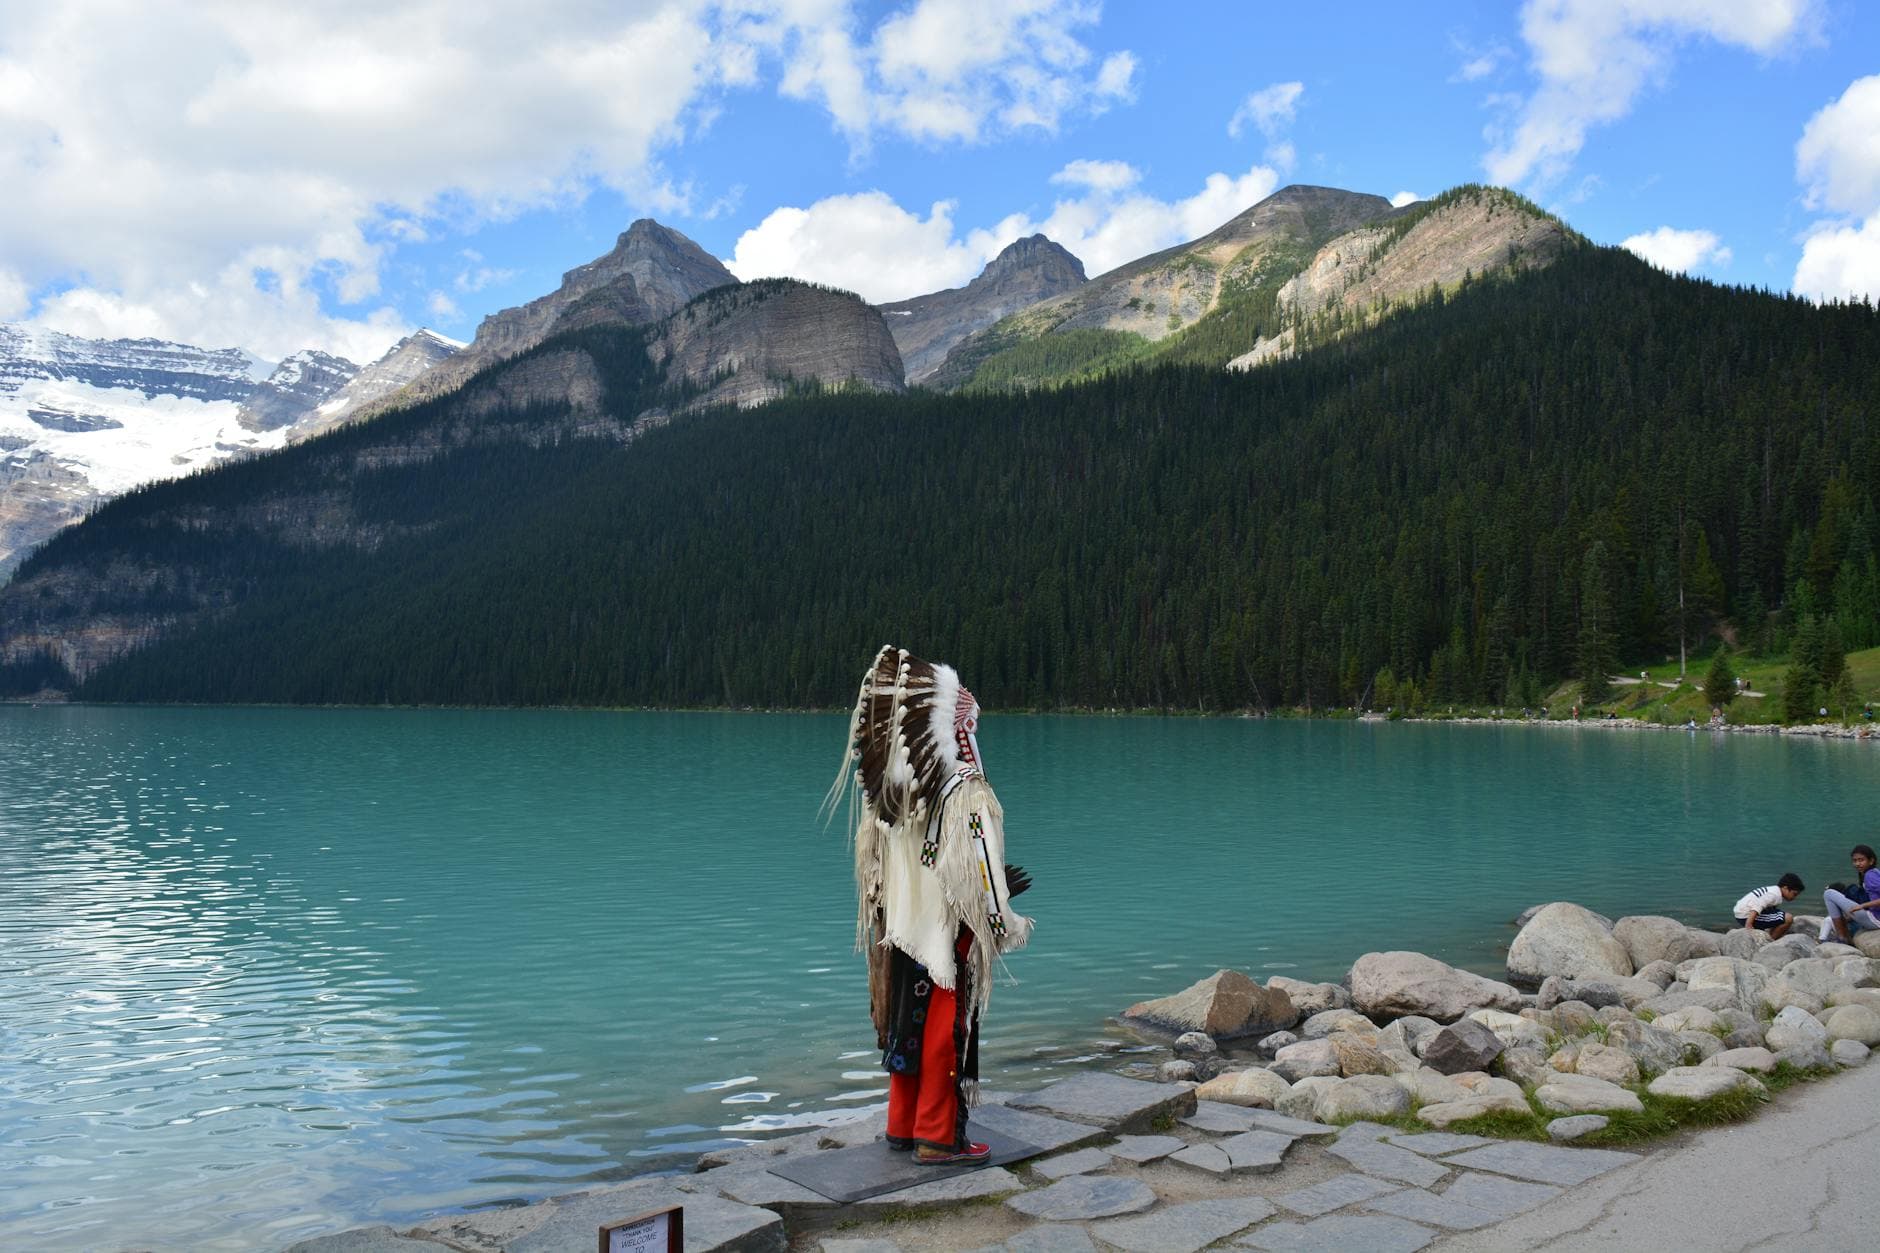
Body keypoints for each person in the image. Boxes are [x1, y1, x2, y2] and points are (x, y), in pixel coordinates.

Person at [828, 647, 1033, 1165]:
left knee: (907, 1026)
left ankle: (904, 1124)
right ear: (956, 728)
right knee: (945, 1029)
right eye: (971, 725)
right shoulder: (967, 793)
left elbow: (874, 866)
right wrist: (1004, 917)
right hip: (947, 935)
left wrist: (892, 911)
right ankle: (940, 1138)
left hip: (902, 932)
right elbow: (980, 872)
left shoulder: (894, 795)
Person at [1821, 844, 1880, 945]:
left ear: (1871, 861)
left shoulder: (1870, 876)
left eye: (1861, 860)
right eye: (1855, 860)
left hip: (1875, 920)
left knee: (1829, 894)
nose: (1857, 864)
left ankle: (1842, 938)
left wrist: (1862, 906)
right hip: (1874, 916)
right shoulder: (1875, 872)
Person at [1732, 874, 1804, 939]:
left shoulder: (1773, 890)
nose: (1794, 897)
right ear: (1785, 888)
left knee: (1777, 913)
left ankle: (1766, 933)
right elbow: (1758, 905)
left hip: (1741, 912)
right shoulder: (1774, 895)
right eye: (1794, 894)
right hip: (1746, 916)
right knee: (1788, 918)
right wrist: (1749, 924)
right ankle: (1770, 941)